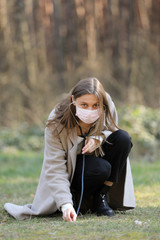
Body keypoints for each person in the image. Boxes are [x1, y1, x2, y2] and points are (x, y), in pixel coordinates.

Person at [4, 77, 135, 222]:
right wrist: (65, 204)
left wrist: (98, 138)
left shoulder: (107, 103)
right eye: (84, 105)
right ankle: (74, 198)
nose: (90, 110)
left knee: (123, 138)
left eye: (95, 105)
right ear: (74, 100)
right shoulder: (56, 121)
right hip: (72, 174)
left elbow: (112, 128)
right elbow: (55, 167)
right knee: (101, 168)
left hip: (98, 159)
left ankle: (101, 196)